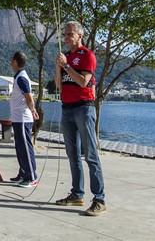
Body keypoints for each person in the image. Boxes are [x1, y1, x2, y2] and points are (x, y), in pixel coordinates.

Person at [53, 21, 106, 217]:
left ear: (79, 35)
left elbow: (84, 82)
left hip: (84, 109)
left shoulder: (87, 55)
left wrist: (66, 65)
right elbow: (58, 85)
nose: (66, 37)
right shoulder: (66, 57)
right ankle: (77, 193)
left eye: (70, 34)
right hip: (67, 109)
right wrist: (59, 66)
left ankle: (99, 199)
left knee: (90, 155)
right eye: (65, 35)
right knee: (72, 154)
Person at [7, 51, 39, 188]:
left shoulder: (21, 78)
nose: (10, 63)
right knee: (20, 147)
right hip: (17, 118)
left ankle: (31, 176)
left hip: (23, 118)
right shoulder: (18, 77)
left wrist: (33, 110)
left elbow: (29, 97)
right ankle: (23, 173)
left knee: (25, 148)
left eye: (11, 60)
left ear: (15, 62)